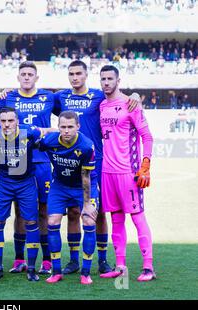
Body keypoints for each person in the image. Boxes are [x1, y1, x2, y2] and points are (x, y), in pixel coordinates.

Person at [53, 60, 140, 275]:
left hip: (96, 161)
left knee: (98, 211)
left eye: (78, 73)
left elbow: (120, 98)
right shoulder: (61, 97)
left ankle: (102, 259)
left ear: (86, 75)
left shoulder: (98, 95)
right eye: (71, 74)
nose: (75, 77)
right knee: (73, 212)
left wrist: (135, 96)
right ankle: (74, 260)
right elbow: (41, 99)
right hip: (70, 161)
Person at [0, 107, 53, 282]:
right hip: (3, 182)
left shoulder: (30, 133)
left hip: (26, 183)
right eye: (3, 121)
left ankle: (32, 268)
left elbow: (49, 134)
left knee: (31, 222)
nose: (6, 125)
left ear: (17, 121)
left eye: (10, 121)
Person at [98, 65, 155, 282]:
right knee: (116, 220)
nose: (106, 82)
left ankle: (148, 267)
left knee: (138, 218)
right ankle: (120, 266)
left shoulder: (131, 104)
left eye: (110, 78)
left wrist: (145, 165)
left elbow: (147, 136)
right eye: (103, 79)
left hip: (128, 172)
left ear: (118, 80)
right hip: (107, 173)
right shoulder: (102, 105)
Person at [0, 61, 55, 275]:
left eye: (31, 74)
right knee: (19, 212)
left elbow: (66, 119)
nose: (27, 77)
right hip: (16, 160)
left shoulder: (49, 97)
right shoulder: (7, 97)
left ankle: (47, 260)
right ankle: (19, 258)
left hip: (41, 162)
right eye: (23, 74)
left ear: (36, 77)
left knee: (43, 211)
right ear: (18, 77)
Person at [38, 111, 99, 285]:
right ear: (58, 128)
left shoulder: (87, 146)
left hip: (83, 186)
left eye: (70, 127)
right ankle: (56, 271)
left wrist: (87, 204)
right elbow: (33, 144)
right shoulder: (49, 141)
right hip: (60, 185)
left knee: (88, 221)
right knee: (53, 221)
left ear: (78, 127)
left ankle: (85, 273)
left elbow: (86, 175)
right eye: (62, 127)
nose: (66, 131)